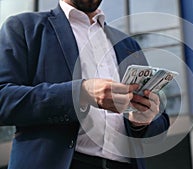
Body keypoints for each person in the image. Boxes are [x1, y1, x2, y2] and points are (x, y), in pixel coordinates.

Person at [0, 0, 170, 169]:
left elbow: (160, 122)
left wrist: (142, 122)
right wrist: (80, 94)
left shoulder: (129, 45)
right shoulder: (24, 27)